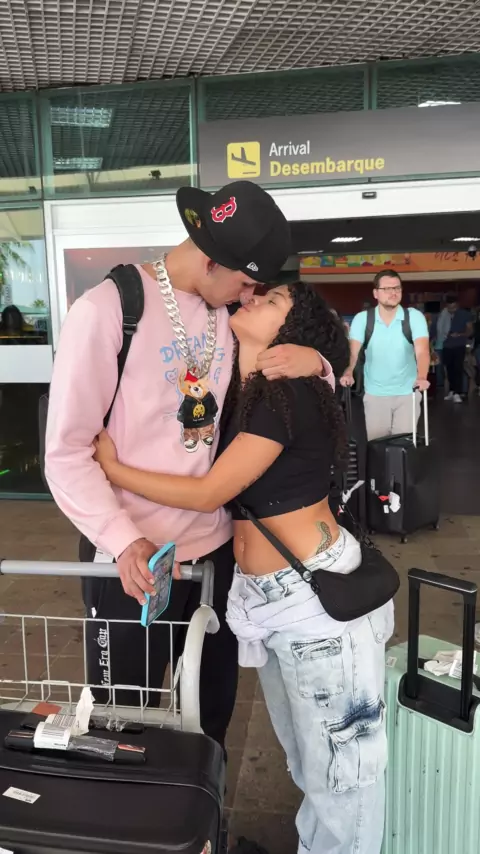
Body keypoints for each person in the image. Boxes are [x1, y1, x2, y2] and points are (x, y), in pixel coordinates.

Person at [94, 281, 394, 854]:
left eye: (272, 301)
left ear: (291, 333)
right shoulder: (250, 390)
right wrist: (323, 361)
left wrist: (114, 470)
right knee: (309, 759)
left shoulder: (288, 394)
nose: (251, 299)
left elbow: (210, 492)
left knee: (342, 774)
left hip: (313, 598)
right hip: (276, 596)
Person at [45, 180, 333, 754]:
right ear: (210, 261)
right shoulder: (109, 310)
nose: (249, 297)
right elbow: (67, 452)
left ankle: (202, 810)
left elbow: (294, 375)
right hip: (132, 563)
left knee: (210, 717)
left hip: (214, 558)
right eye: (246, 283)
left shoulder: (224, 316)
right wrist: (123, 540)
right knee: (121, 723)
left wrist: (318, 361)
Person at [340, 269, 430, 441]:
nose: (393, 293)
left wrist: (422, 377)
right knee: (377, 447)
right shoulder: (363, 319)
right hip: (375, 394)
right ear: (376, 293)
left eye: (397, 288)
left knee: (403, 446)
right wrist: (348, 371)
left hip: (408, 393)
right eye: (387, 289)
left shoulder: (414, 317)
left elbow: (422, 351)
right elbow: (353, 351)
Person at [440, 294, 473, 403]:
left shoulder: (465, 314)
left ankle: (458, 392)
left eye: (454, 307)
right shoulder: (444, 315)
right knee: (449, 369)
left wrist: (459, 334)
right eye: (449, 308)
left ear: (457, 305)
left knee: (458, 368)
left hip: (459, 345)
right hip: (446, 345)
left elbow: (470, 330)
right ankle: (452, 390)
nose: (452, 310)